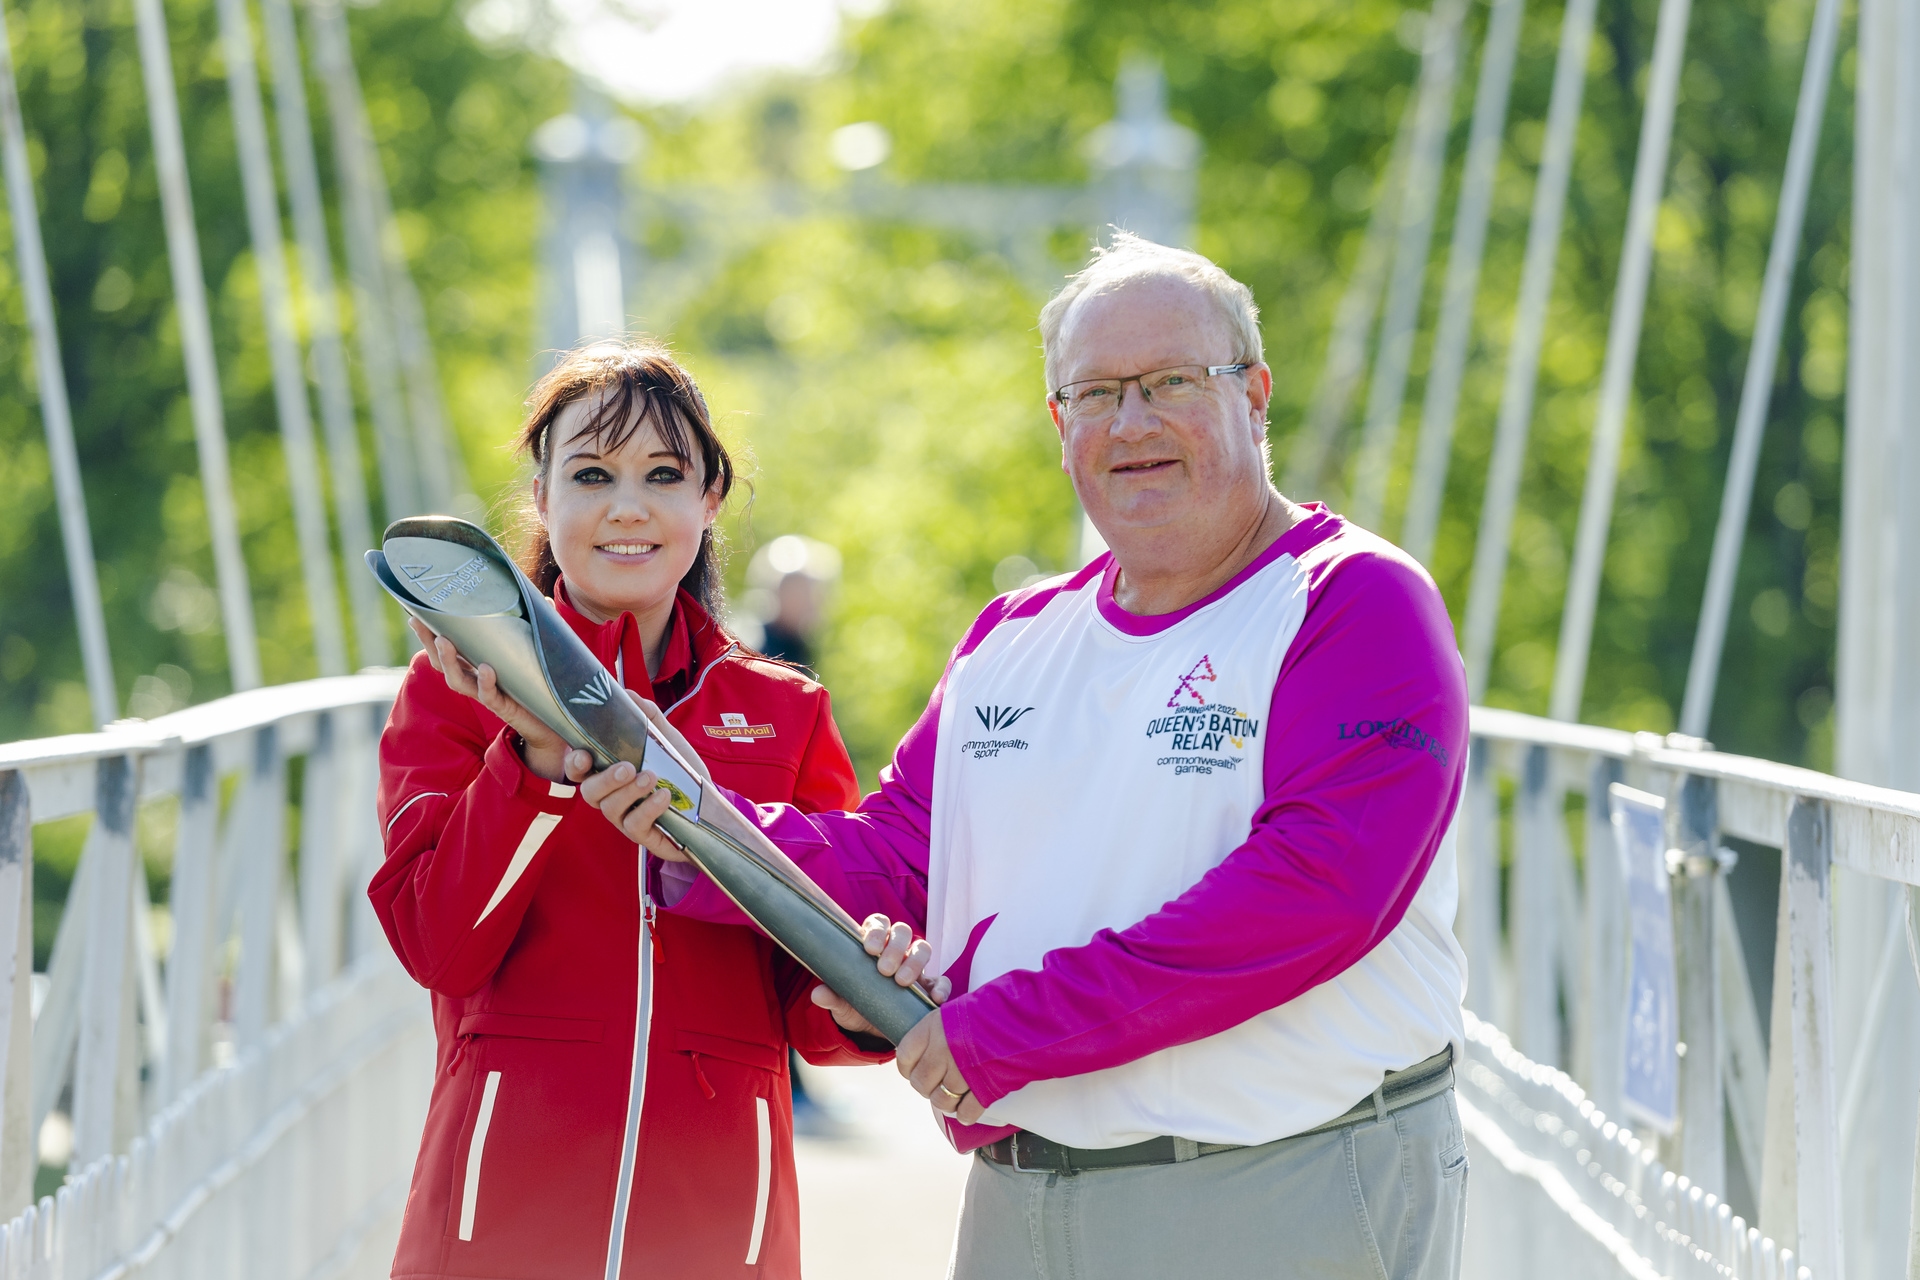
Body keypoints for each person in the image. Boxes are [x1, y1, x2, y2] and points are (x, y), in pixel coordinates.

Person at [589, 234, 1472, 1278]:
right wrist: (683, 816)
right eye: (1095, 392)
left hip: (1284, 1186)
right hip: (1022, 1201)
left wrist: (1002, 1030)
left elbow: (1313, 894)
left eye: (1171, 381)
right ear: (1061, 425)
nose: (1131, 422)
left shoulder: (1353, 601)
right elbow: (896, 860)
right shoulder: (1012, 637)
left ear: (1257, 394)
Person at [368, 339, 930, 1280]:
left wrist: (868, 994)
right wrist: (536, 766)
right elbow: (438, 946)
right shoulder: (451, 694)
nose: (628, 506)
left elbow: (809, 1010)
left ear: (710, 499)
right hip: (498, 1222)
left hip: (717, 1227)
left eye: (663, 475)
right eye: (591, 474)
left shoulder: (787, 713)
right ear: (542, 498)